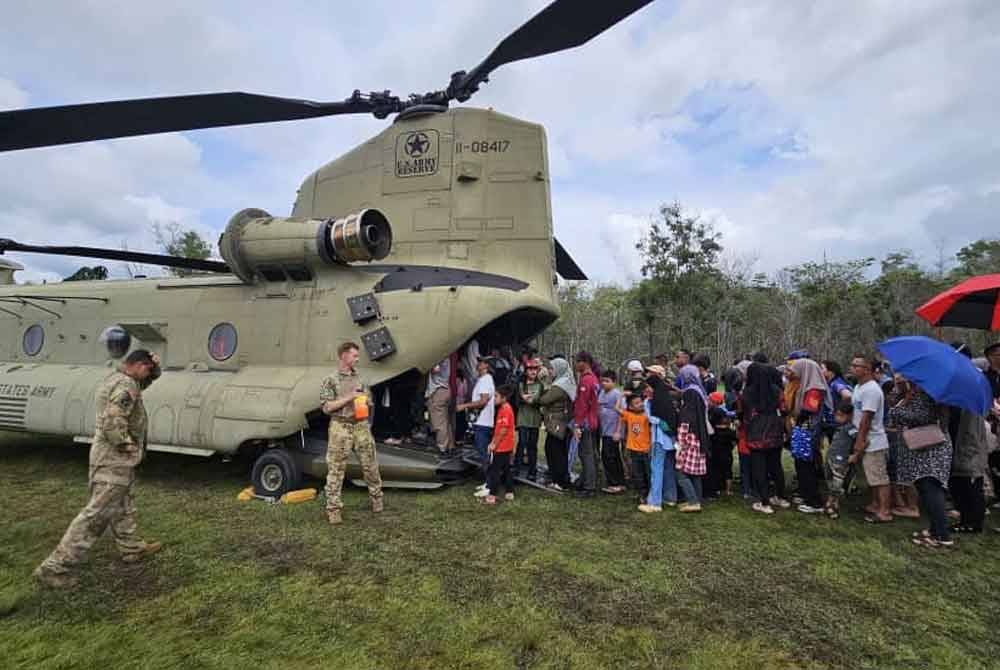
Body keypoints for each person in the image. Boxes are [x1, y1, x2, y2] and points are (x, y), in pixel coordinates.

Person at [34, 350, 163, 588]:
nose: (149, 374)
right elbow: (112, 420)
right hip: (114, 459)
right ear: (137, 365)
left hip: (107, 456)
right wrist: (127, 447)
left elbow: (140, 384)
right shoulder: (127, 386)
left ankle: (131, 548)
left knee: (123, 505)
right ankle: (53, 568)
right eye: (148, 368)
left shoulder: (117, 379)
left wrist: (155, 368)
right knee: (97, 514)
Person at [320, 342, 383, 525]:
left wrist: (366, 401)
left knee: (370, 465)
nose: (357, 358)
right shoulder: (330, 380)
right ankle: (333, 509)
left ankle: (377, 499)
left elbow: (368, 400)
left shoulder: (360, 379)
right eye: (354, 355)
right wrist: (350, 397)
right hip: (340, 426)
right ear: (344, 356)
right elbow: (327, 407)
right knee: (336, 469)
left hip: (361, 425)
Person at [889, 378, 954, 548]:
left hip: (931, 448)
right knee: (926, 488)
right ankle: (934, 530)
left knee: (931, 488)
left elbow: (924, 416)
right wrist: (904, 395)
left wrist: (896, 412)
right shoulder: (917, 390)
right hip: (922, 447)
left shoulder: (929, 391)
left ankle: (942, 536)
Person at [847, 354, 893, 523]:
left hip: (873, 439)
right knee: (871, 477)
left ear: (867, 370)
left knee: (879, 478)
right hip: (862, 436)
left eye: (857, 366)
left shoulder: (872, 390)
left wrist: (860, 440)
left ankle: (884, 511)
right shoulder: (859, 387)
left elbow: (867, 418)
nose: (852, 368)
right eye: (852, 365)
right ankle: (875, 504)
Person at [743, 356, 789, 514]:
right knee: (776, 465)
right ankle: (781, 497)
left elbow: (744, 412)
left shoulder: (748, 392)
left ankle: (764, 502)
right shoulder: (777, 390)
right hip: (775, 429)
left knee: (759, 467)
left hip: (757, 431)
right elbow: (784, 409)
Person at [786, 359, 829, 514]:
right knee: (801, 464)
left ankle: (814, 502)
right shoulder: (806, 386)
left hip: (807, 431)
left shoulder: (814, 389)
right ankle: (806, 495)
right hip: (803, 430)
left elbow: (809, 409)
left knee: (806, 466)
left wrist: (796, 419)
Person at [639, 365, 677, 512]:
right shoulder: (666, 399)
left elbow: (653, 419)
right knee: (668, 468)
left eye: (648, 387)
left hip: (659, 440)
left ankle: (654, 502)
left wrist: (647, 404)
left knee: (656, 469)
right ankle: (670, 497)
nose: (646, 390)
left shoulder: (653, 403)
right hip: (669, 440)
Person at [457, 358, 496, 497]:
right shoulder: (484, 379)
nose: (477, 364)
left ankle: (490, 485)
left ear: (486, 365)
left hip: (483, 424)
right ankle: (488, 483)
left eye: (480, 362)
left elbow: (483, 401)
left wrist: (464, 405)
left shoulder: (486, 379)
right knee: (483, 454)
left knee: (485, 455)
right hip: (481, 422)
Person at [674, 365, 710, 512]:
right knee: (695, 474)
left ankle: (693, 501)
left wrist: (680, 442)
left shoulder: (689, 392)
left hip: (690, 438)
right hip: (700, 437)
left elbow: (686, 419)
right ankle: (697, 500)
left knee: (681, 472)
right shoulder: (699, 391)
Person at [540, 357, 575, 492]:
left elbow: (544, 399)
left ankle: (559, 481)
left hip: (557, 423)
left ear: (559, 369)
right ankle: (560, 478)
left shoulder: (561, 385)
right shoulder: (566, 381)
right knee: (558, 450)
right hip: (562, 422)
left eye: (552, 369)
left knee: (555, 451)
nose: (549, 371)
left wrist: (542, 383)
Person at [572, 351, 600, 498]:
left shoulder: (586, 381)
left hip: (586, 422)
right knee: (590, 453)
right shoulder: (594, 378)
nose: (576, 365)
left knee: (586, 454)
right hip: (593, 420)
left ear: (584, 362)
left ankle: (590, 487)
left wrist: (577, 425)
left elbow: (582, 405)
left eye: (577, 361)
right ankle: (584, 481)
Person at [483, 385, 516, 505]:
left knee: (494, 471)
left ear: (504, 398)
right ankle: (509, 492)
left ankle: (492, 495)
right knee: (506, 469)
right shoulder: (504, 408)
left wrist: (493, 444)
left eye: (496, 396)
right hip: (507, 445)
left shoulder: (505, 410)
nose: (494, 398)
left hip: (502, 446)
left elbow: (503, 430)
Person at [824, 401, 856, 519]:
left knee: (837, 483)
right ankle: (834, 501)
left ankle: (830, 504)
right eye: (837, 415)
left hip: (841, 460)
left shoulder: (851, 429)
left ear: (850, 415)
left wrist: (855, 455)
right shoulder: (839, 427)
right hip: (830, 457)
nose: (838, 418)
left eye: (841, 415)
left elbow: (862, 441)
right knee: (829, 479)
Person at [618, 393, 652, 504]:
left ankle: (650, 494)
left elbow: (652, 433)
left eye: (641, 401)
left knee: (648, 472)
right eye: (636, 403)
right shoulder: (629, 415)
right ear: (631, 407)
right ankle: (642, 493)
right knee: (638, 473)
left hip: (646, 450)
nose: (640, 404)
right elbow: (616, 408)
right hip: (633, 450)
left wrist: (650, 446)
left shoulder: (647, 416)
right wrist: (622, 395)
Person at [514, 358, 543, 481]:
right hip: (523, 419)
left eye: (535, 369)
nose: (532, 372)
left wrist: (533, 400)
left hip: (535, 420)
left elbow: (541, 401)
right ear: (526, 371)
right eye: (530, 369)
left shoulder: (540, 385)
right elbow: (516, 401)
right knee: (521, 444)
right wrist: (522, 399)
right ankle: (516, 468)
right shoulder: (520, 384)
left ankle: (532, 470)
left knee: (532, 446)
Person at [598, 370, 627, 493]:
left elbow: (622, 414)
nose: (604, 383)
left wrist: (618, 431)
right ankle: (616, 481)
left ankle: (616, 483)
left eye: (607, 381)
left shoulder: (617, 394)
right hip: (604, 430)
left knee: (610, 456)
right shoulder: (602, 393)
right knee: (607, 455)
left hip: (613, 432)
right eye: (603, 381)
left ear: (614, 382)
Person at [705, 391, 736, 498]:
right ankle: (728, 490)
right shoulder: (729, 430)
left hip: (715, 449)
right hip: (726, 450)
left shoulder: (713, 430)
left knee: (716, 468)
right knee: (727, 470)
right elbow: (734, 439)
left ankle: (717, 488)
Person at [426, 357, 454, 454]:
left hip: (438, 391)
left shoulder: (440, 356)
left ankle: (442, 447)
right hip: (445, 389)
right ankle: (450, 446)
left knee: (439, 423)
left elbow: (435, 369)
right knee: (445, 421)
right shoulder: (447, 357)